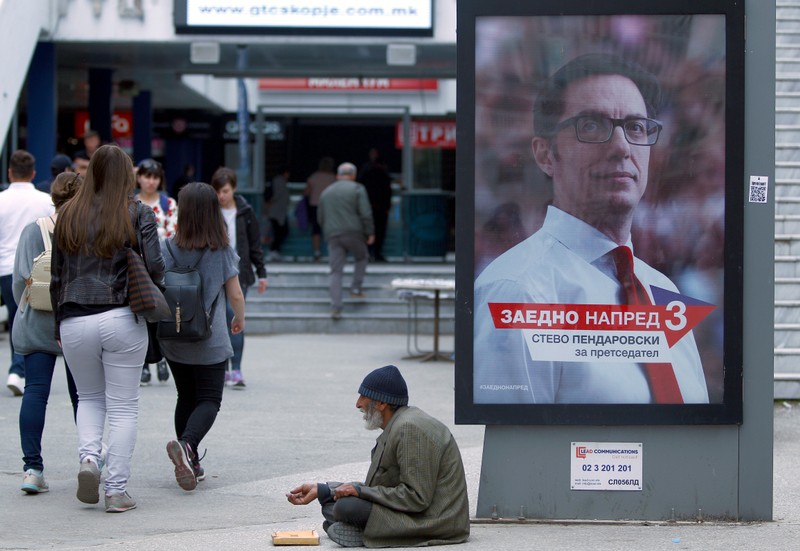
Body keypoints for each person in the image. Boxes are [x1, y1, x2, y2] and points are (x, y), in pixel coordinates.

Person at [473, 54, 709, 405]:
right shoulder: (517, 291)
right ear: (545, 155)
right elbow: (518, 453)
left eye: (636, 127)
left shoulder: (661, 290)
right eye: (592, 126)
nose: (622, 147)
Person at [51, 144, 164, 513]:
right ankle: (115, 490)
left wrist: (58, 322)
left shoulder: (67, 212)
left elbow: (56, 276)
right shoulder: (137, 212)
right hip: (121, 317)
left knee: (89, 398)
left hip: (73, 319)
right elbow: (156, 268)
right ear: (125, 175)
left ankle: (88, 459)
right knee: (124, 408)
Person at [286, 365, 470, 548]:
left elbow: (416, 498)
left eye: (364, 397)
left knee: (345, 508)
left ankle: (367, 532)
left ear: (382, 403)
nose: (358, 404)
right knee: (331, 504)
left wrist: (359, 492)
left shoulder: (410, 430)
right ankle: (362, 529)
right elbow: (381, 488)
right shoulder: (399, 424)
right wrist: (325, 490)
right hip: (412, 512)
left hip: (436, 521)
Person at [160, 182, 246, 491]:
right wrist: (240, 317)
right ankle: (188, 446)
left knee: (186, 395)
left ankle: (191, 461)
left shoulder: (166, 246)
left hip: (172, 335)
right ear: (213, 212)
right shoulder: (221, 251)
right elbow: (235, 293)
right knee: (210, 398)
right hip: (208, 338)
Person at [13, 172, 82, 494]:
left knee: (36, 391)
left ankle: (32, 469)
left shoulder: (33, 231)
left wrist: (34, 304)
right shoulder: (85, 233)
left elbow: (18, 283)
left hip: (37, 322)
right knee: (83, 396)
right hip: (76, 321)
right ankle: (89, 459)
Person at [1, 150, 55, 397]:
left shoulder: (1, 200)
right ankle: (19, 369)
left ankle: (17, 369)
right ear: (33, 173)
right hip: (37, 269)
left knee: (15, 318)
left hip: (4, 267)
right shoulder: (45, 200)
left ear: (10, 172)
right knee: (29, 321)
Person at [210, 167, 267, 389]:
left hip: (239, 272)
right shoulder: (210, 210)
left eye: (224, 190)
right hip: (215, 272)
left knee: (235, 318)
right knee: (219, 322)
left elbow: (255, 244)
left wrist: (262, 272)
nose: (221, 196)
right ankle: (223, 369)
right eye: (217, 191)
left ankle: (236, 369)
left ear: (233, 188)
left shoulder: (245, 211)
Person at [135, 158, 178, 386]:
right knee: (138, 316)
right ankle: (142, 363)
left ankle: (161, 358)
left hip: (162, 268)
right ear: (139, 177)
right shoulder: (130, 202)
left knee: (161, 314)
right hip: (135, 268)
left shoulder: (168, 203)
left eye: (155, 177)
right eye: (146, 176)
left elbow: (173, 234)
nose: (150, 181)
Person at [317, 162, 374, 320]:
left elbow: (320, 216)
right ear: (353, 175)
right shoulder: (357, 189)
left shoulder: (326, 192)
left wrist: (328, 230)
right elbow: (365, 213)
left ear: (338, 175)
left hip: (333, 234)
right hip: (353, 232)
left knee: (336, 271)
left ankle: (336, 307)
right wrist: (369, 231)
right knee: (362, 257)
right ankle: (355, 288)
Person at [358, 149, 392, 262]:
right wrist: (387, 206)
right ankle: (377, 253)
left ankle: (368, 253)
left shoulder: (366, 173)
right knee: (379, 231)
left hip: (369, 206)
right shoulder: (384, 174)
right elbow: (388, 191)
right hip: (380, 208)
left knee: (368, 231)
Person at [304, 156, 337, 260]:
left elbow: (306, 192)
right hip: (329, 206)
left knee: (316, 229)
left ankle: (317, 252)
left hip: (315, 205)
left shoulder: (314, 177)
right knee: (331, 229)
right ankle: (333, 251)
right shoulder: (333, 178)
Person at [266, 166, 290, 260]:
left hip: (279, 211)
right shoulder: (279, 181)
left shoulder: (279, 181)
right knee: (279, 232)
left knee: (280, 231)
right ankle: (273, 251)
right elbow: (277, 194)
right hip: (276, 211)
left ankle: (274, 251)